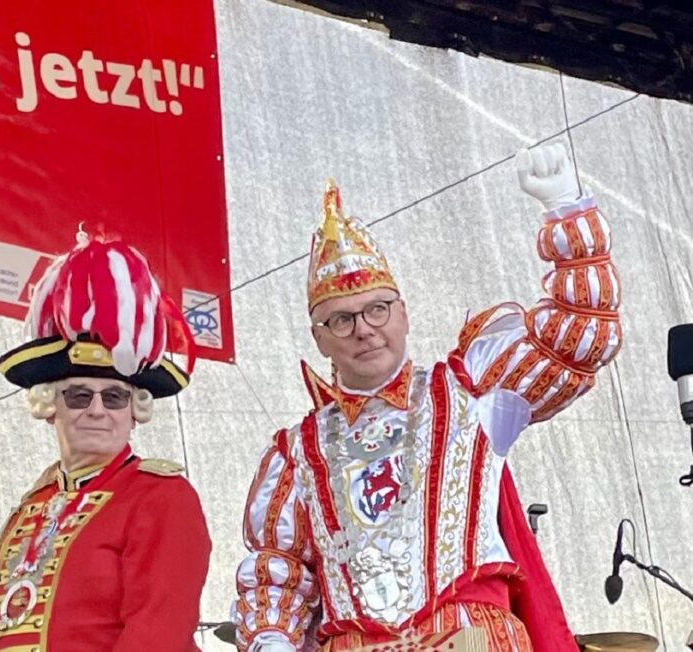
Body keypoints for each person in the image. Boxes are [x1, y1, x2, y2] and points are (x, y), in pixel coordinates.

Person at [232, 144, 622, 651]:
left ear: (404, 312)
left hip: (472, 639)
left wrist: (568, 213)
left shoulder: (473, 390)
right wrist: (272, 640)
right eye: (342, 319)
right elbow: (277, 570)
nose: (364, 330)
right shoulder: (296, 452)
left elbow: (581, 336)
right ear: (319, 337)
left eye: (377, 309)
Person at [0, 234, 212, 652]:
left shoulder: (161, 497)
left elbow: (156, 633)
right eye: (79, 395)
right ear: (49, 404)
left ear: (135, 409)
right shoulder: (31, 506)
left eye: (114, 397)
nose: (97, 410)